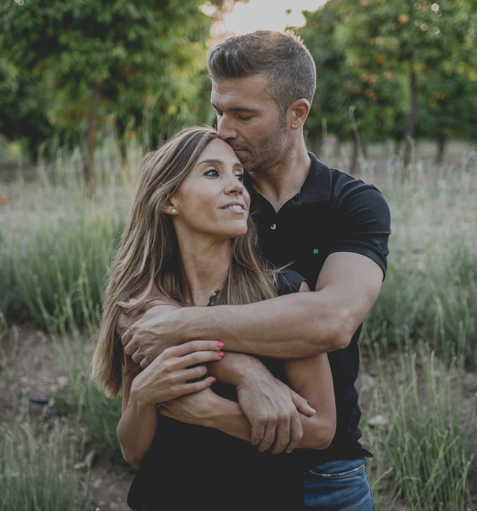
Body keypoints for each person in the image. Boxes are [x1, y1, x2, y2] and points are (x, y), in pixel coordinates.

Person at [121, 30, 392, 511]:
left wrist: (184, 327)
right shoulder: (211, 205)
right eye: (218, 111)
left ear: (297, 113)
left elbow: (331, 321)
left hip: (326, 469)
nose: (224, 129)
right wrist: (247, 372)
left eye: (243, 115)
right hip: (218, 464)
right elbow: (141, 314)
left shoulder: (353, 204)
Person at [92, 126, 337, 511]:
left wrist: (215, 414)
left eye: (239, 175)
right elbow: (134, 452)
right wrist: (142, 397)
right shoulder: (146, 309)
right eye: (212, 173)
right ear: (170, 199)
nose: (237, 186)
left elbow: (321, 430)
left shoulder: (283, 295)